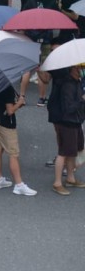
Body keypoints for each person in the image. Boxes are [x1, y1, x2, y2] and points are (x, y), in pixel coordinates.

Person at [0, 84, 36, 195]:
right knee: (14, 154)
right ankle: (19, 185)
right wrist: (19, 103)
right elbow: (10, 110)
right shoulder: (6, 88)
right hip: (6, 124)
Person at [48, 66, 85, 195]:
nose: (81, 70)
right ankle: (57, 183)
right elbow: (69, 108)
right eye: (79, 68)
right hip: (67, 122)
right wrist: (82, 99)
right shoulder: (67, 84)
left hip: (75, 121)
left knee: (72, 151)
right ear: (72, 69)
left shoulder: (76, 82)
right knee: (63, 152)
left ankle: (70, 178)